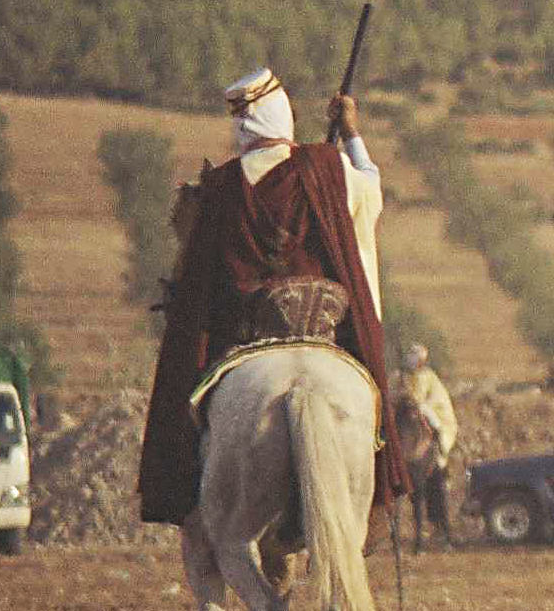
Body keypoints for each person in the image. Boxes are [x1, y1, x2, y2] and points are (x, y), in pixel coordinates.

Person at [138, 67, 404, 527]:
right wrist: (351, 132)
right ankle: (380, 479)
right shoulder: (325, 166)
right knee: (370, 381)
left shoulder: (221, 186)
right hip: (320, 329)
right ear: (284, 115)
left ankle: (186, 495)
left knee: (186, 394)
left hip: (246, 336)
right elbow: (370, 191)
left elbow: (203, 280)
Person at [398, 342, 459, 549]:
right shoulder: (404, 376)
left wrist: (413, 402)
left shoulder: (426, 377)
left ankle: (439, 447)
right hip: (414, 408)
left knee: (427, 414)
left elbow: (420, 398)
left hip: (432, 410)